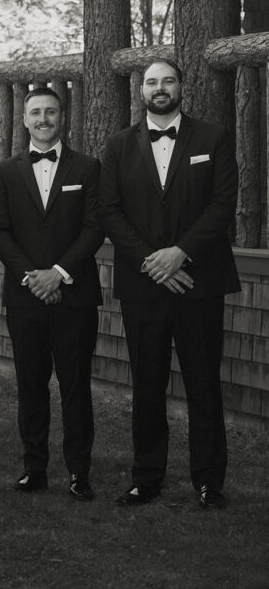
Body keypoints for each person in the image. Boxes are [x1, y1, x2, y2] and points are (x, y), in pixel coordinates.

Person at [101, 59, 239, 509]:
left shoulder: (213, 138)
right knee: (147, 383)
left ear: (181, 86)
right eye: (152, 82)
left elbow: (222, 205)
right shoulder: (119, 145)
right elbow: (110, 211)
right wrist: (151, 261)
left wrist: (180, 253)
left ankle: (209, 480)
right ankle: (146, 477)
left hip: (199, 280)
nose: (160, 88)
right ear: (141, 91)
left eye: (168, 80)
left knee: (204, 383)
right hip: (143, 285)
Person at [0, 88, 103, 500]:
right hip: (25, 297)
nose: (43, 118)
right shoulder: (5, 171)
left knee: (76, 386)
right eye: (35, 112)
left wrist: (57, 274)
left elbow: (94, 227)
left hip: (75, 295)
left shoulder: (88, 168)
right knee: (30, 385)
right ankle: (33, 468)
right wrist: (33, 278)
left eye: (50, 111)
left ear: (62, 117)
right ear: (24, 120)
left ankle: (78, 472)